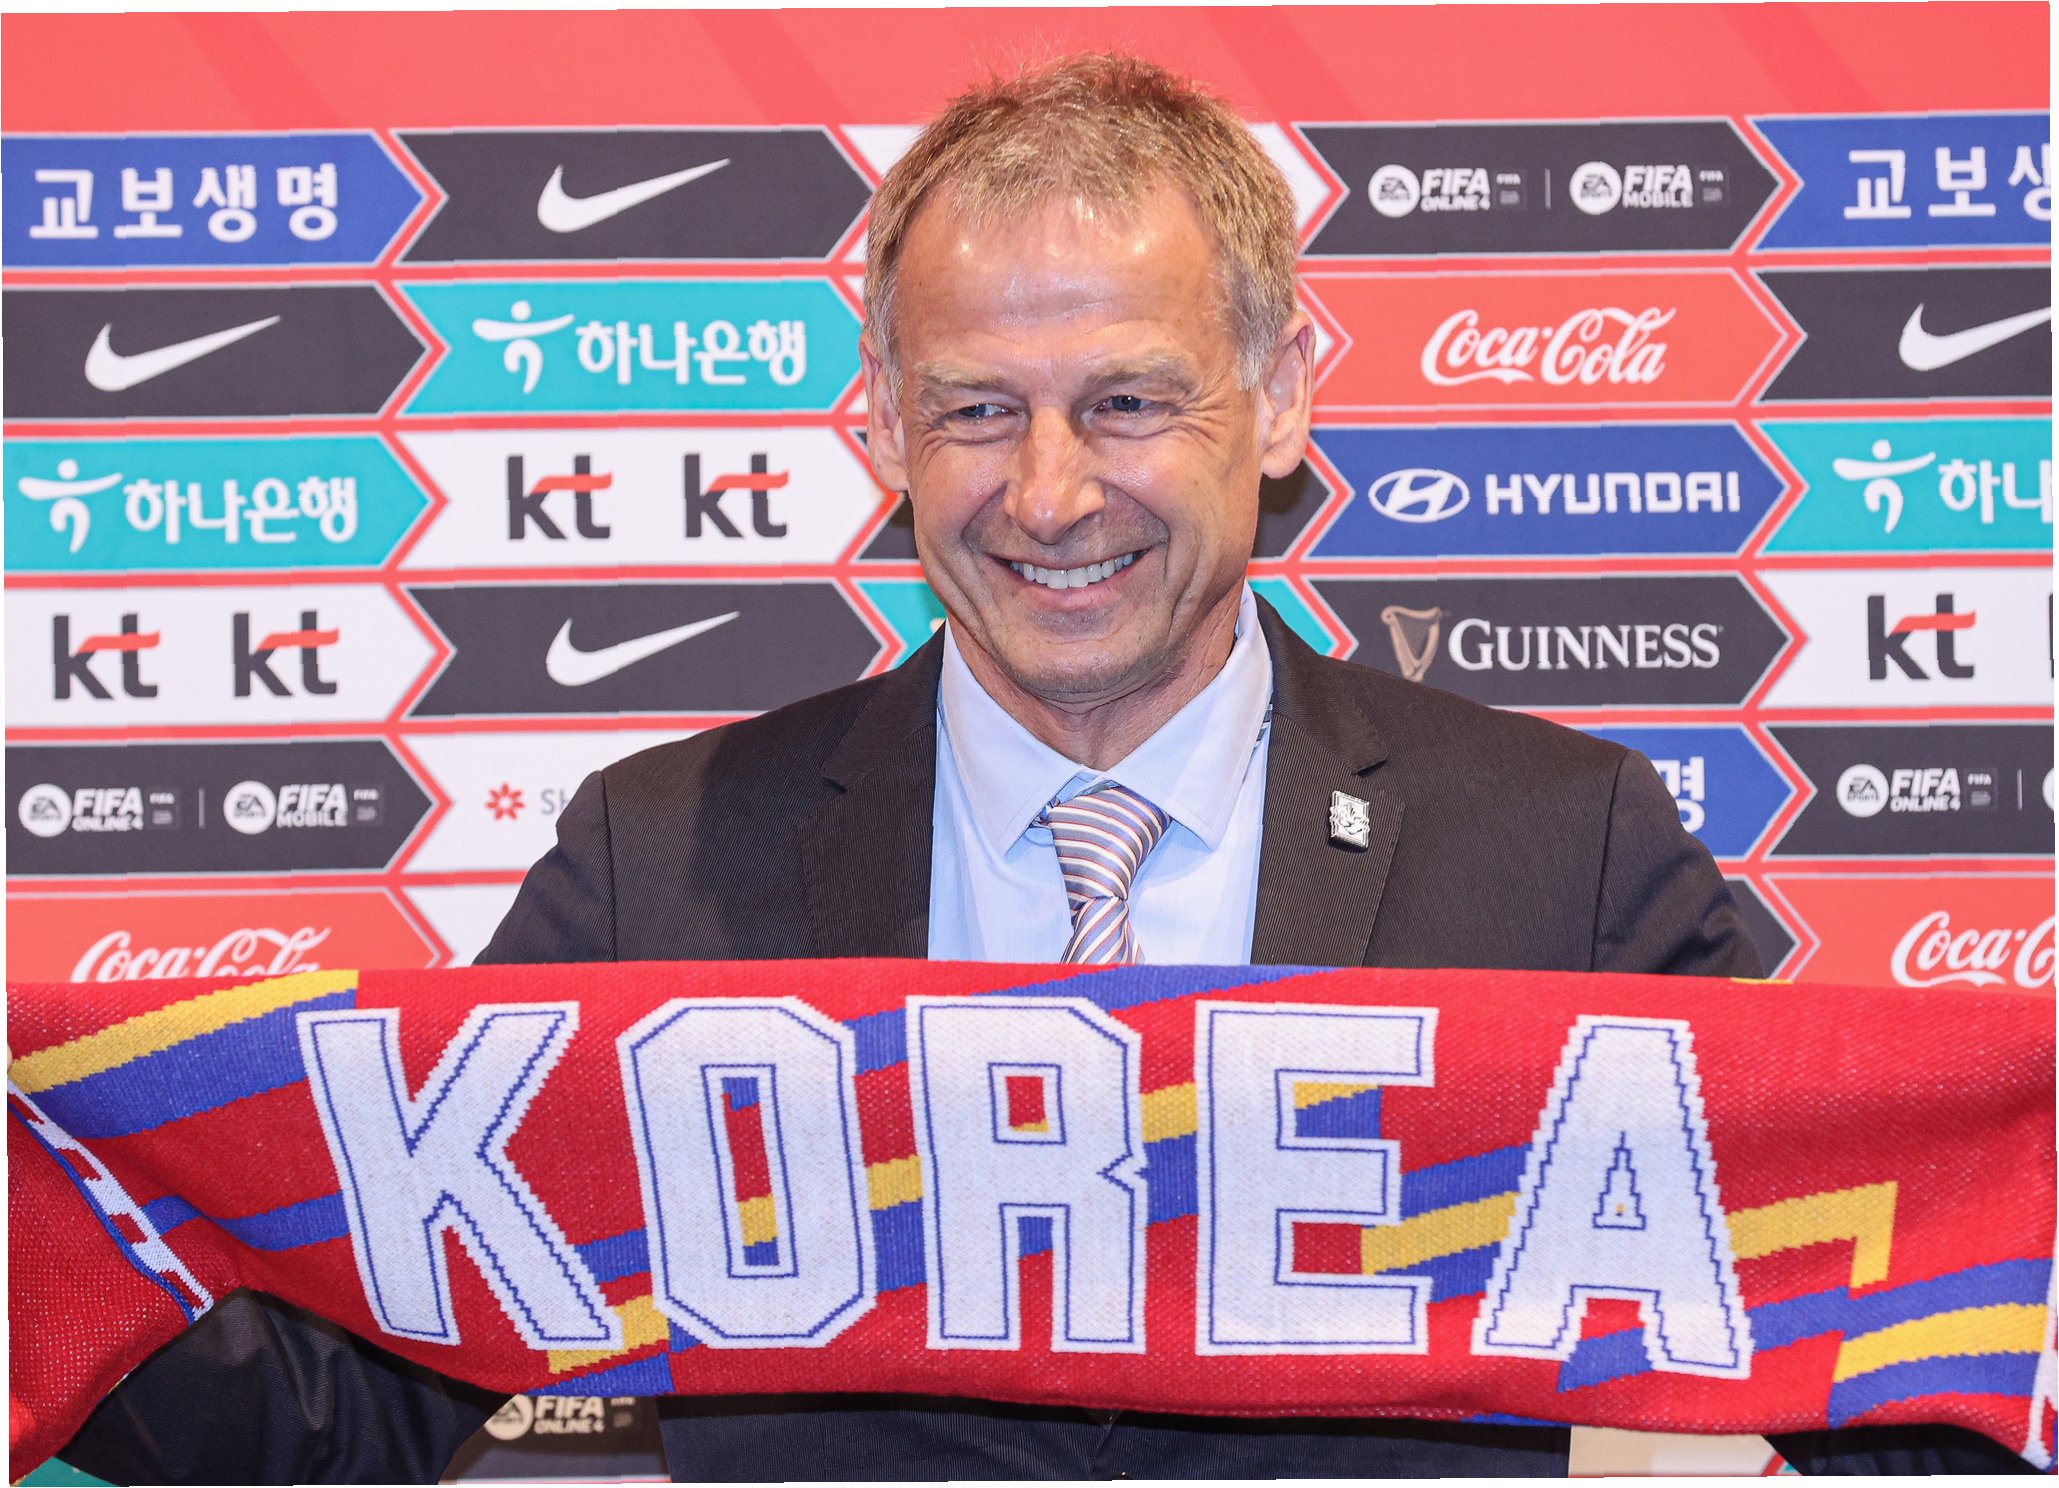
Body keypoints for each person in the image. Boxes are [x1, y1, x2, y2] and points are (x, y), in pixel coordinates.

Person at [61, 52, 2029, 1484]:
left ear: (1278, 396)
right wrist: (41, 1236)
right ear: (881, 430)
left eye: (1129, 399)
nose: (1051, 493)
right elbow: (335, 1417)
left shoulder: (1559, 848)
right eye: (976, 410)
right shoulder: (664, 862)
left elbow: (1900, 1340)